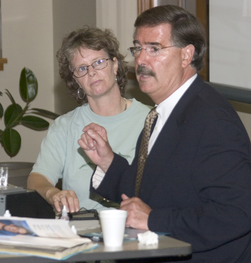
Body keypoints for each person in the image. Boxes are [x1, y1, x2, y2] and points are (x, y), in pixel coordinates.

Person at [78, 5, 251, 263]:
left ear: (186, 55)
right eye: (137, 48)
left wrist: (154, 219)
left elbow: (237, 213)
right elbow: (146, 191)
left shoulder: (212, 120)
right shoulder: (161, 113)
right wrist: (107, 161)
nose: (140, 60)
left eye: (154, 49)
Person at [27, 27, 150, 214]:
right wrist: (53, 193)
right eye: (82, 68)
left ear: (115, 65)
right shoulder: (65, 126)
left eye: (99, 62)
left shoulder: (150, 121)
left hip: (134, 230)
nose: (91, 72)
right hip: (79, 232)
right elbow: (36, 179)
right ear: (75, 80)